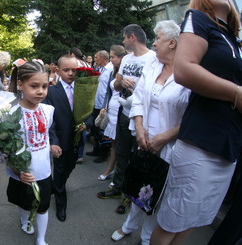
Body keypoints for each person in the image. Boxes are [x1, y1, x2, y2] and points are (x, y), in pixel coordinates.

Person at [151, 0, 242, 244]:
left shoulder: (230, 36)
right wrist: (236, 93)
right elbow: (184, 70)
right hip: (202, 141)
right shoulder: (198, 18)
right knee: (173, 220)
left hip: (227, 144)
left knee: (194, 220)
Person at [110, 20, 190, 245]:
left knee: (157, 193)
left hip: (169, 144)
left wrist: (164, 138)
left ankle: (147, 237)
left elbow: (192, 116)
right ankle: (128, 227)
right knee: (139, 186)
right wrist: (139, 127)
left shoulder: (188, 71)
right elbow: (139, 96)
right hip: (143, 136)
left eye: (158, 39)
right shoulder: (154, 64)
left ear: (172, 43)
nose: (154, 44)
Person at [97, 24, 157, 213]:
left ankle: (129, 196)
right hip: (124, 114)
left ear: (132, 37)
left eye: (124, 38)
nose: (122, 41)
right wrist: (121, 82)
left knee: (136, 158)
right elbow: (114, 85)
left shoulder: (154, 58)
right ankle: (117, 188)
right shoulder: (126, 59)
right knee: (122, 153)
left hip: (142, 118)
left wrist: (139, 88)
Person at [7, 60, 54, 245]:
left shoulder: (49, 110)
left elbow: (46, 135)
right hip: (22, 172)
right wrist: (18, 171)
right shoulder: (11, 112)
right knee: (23, 201)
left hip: (43, 171)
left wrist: (52, 146)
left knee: (43, 206)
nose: (40, 91)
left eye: (44, 86)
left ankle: (41, 238)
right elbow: (4, 147)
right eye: (34, 86)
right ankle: (25, 219)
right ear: (21, 84)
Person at [43, 55, 86, 222]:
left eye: (73, 70)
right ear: (58, 71)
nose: (70, 73)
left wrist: (87, 124)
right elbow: (49, 121)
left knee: (70, 166)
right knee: (60, 172)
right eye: (66, 70)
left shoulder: (83, 89)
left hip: (76, 140)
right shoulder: (52, 92)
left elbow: (89, 111)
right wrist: (53, 142)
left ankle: (56, 185)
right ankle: (61, 202)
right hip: (60, 140)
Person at [97, 45, 127, 181]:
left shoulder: (126, 72)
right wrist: (105, 106)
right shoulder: (112, 72)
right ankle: (110, 170)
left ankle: (119, 175)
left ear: (121, 58)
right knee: (113, 145)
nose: (111, 60)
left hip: (122, 112)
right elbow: (108, 92)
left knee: (121, 147)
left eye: (113, 57)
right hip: (112, 112)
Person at [86, 50, 113, 163]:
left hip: (103, 105)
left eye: (96, 57)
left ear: (102, 58)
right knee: (95, 128)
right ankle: (96, 149)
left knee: (103, 131)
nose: (95, 59)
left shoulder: (110, 70)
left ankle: (103, 154)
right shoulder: (100, 69)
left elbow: (109, 90)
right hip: (97, 104)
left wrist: (105, 106)